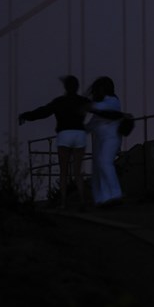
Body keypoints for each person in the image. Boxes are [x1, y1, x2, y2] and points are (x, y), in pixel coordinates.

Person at [19, 76, 90, 210]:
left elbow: (43, 112)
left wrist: (26, 116)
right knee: (77, 171)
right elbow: (96, 107)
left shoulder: (59, 102)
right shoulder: (83, 101)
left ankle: (63, 203)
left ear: (66, 87)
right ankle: (82, 200)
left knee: (63, 171)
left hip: (64, 134)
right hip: (79, 134)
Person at [87, 76, 123, 208]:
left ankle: (115, 194)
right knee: (98, 167)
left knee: (104, 162)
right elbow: (92, 123)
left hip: (110, 138)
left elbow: (102, 109)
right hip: (101, 140)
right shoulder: (105, 104)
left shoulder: (112, 101)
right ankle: (103, 198)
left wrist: (88, 106)